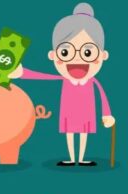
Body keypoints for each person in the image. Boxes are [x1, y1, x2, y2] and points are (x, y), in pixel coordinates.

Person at [10, 2, 114, 166]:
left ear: (103, 55)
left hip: (87, 111)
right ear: (52, 55)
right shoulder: (65, 79)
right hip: (69, 110)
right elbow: (44, 77)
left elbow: (103, 96)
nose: (77, 58)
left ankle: (82, 159)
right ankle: (72, 158)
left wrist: (107, 115)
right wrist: (22, 73)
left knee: (84, 133)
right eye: (66, 52)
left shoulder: (92, 81)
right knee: (70, 132)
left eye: (87, 52)